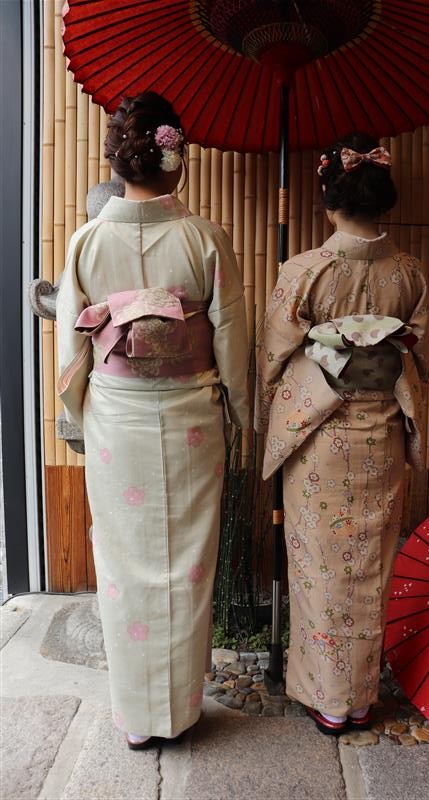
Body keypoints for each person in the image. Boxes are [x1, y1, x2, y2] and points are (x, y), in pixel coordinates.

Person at [56, 92, 249, 749]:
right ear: (175, 159)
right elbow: (231, 339)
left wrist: (79, 414)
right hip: (192, 415)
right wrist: (241, 409)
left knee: (123, 563)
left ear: (119, 160)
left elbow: (71, 350)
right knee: (188, 563)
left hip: (116, 418)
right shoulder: (205, 238)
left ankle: (138, 719)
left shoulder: (86, 241)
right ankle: (180, 711)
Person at [255, 133, 429, 735]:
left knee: (321, 567)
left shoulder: (304, 270)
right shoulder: (409, 272)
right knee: (369, 565)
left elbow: (273, 356)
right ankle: (359, 699)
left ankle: (329, 699)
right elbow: (417, 354)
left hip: (318, 435)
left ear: (329, 199)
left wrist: (272, 411)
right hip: (383, 435)